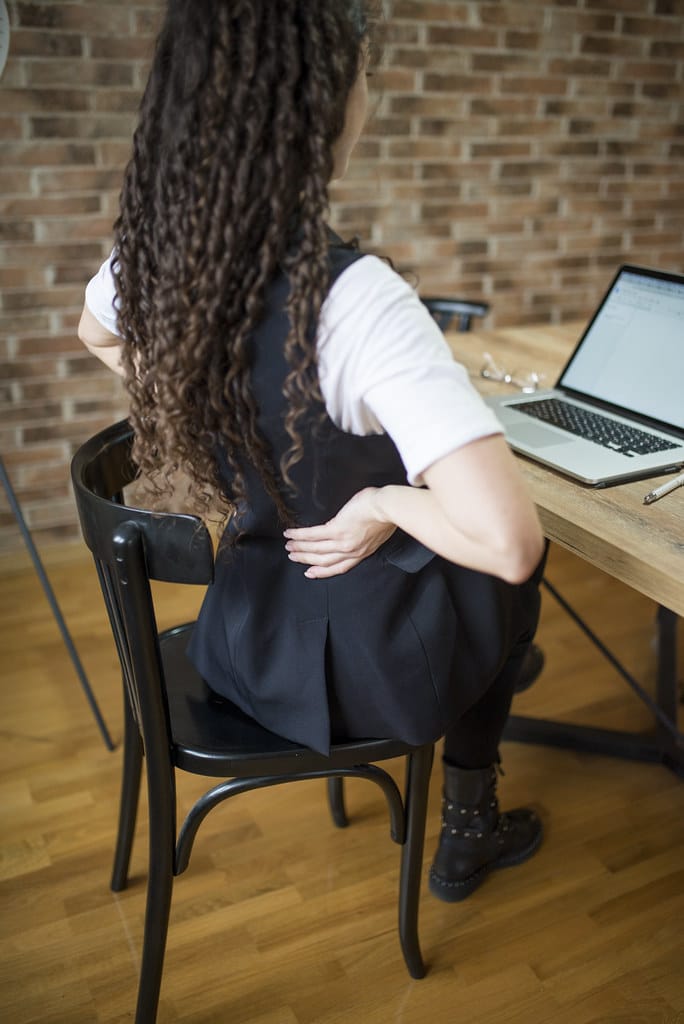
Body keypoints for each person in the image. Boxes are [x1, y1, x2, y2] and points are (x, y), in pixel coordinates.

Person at [78, 0, 547, 904]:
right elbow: (507, 543)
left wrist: (185, 388)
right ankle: (471, 818)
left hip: (239, 634)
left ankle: (491, 673)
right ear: (327, 105)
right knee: (519, 564)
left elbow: (94, 332)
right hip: (364, 673)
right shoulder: (360, 302)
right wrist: (380, 506)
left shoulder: (170, 252)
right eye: (366, 76)